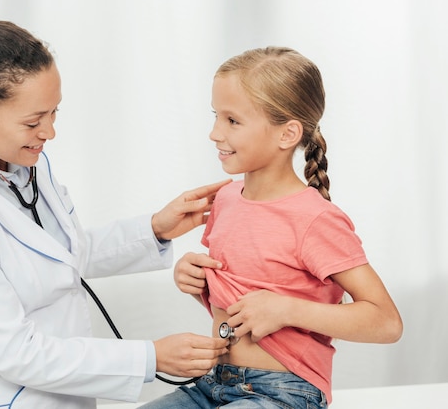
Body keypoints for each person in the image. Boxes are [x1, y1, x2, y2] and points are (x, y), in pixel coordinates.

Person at [0, 8, 231, 409]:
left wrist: (156, 228)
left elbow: (59, 256)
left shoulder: (21, 159)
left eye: (53, 113)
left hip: (64, 393)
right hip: (1, 399)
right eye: (33, 122)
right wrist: (150, 357)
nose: (49, 133)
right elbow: (14, 351)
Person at [139, 47, 403, 408]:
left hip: (284, 391)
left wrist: (287, 310)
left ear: (287, 134)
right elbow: (244, 302)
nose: (215, 133)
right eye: (216, 116)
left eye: (232, 121)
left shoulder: (315, 218)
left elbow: (386, 322)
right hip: (212, 383)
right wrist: (196, 282)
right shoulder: (228, 199)